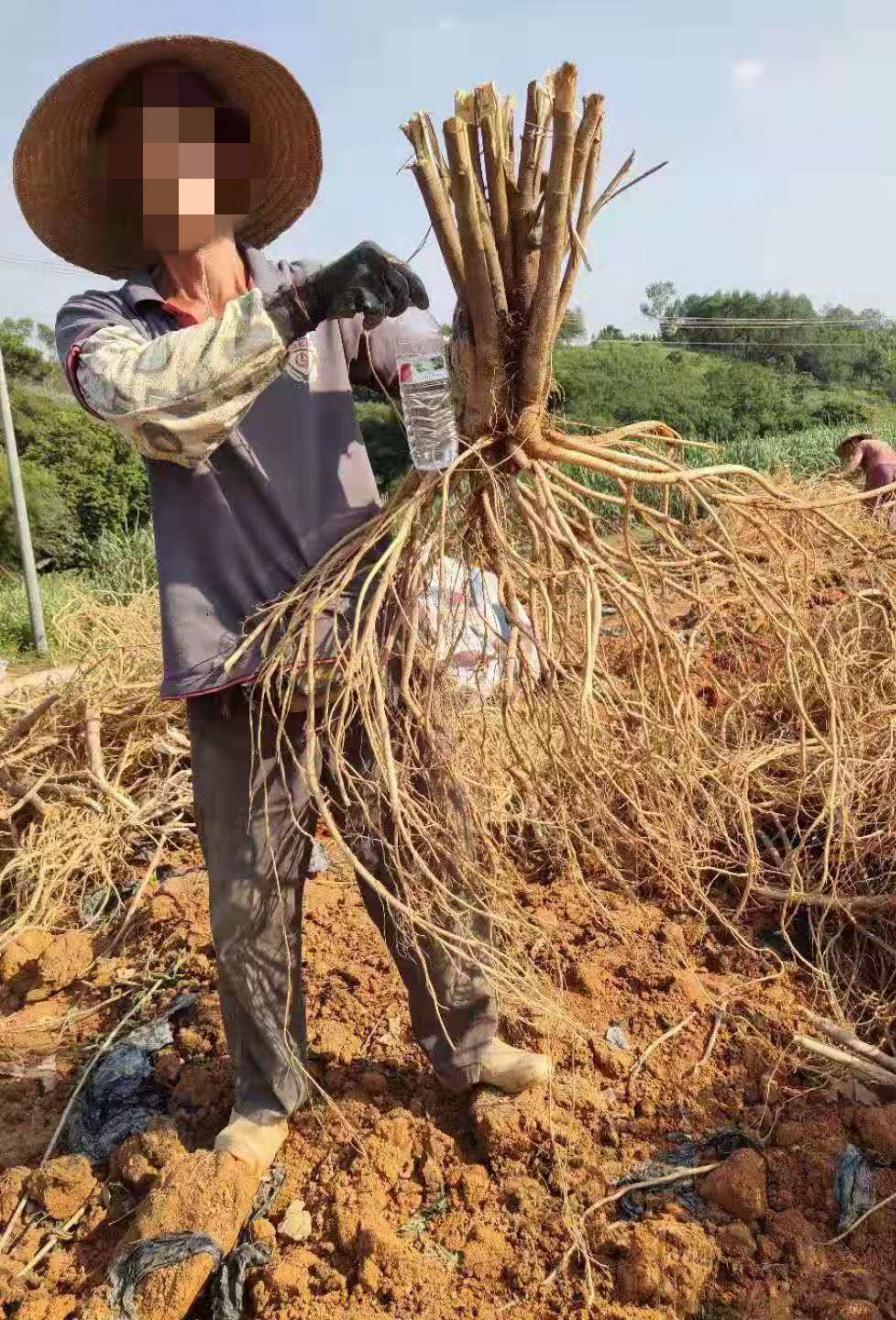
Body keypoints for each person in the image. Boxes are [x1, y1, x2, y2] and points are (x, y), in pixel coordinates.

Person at [15, 36, 550, 1182]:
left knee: (423, 851)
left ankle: (470, 1044)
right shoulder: (106, 321)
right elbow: (154, 405)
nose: (172, 167)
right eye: (145, 150)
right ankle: (267, 1097)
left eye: (189, 140)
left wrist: (449, 429)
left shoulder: (326, 294)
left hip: (362, 641)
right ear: (125, 182)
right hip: (234, 661)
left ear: (226, 162)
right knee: (251, 895)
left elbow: (424, 375)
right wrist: (298, 308)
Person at [835, 432, 896, 507]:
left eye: (848, 448)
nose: (849, 452)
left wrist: (840, 475)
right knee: (887, 505)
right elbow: (858, 474)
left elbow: (855, 463)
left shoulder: (862, 444)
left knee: (867, 503)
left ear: (854, 441)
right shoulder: (881, 444)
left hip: (881, 470)